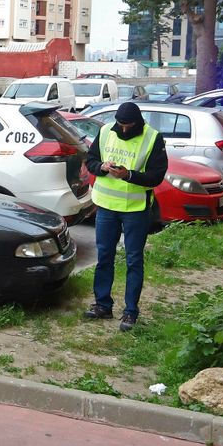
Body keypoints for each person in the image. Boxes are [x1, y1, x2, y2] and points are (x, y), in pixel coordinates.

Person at [84, 102, 168, 331]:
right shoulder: (105, 132)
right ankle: (102, 305)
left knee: (133, 261)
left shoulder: (152, 138)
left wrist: (129, 175)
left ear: (137, 122)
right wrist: (101, 166)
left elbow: (156, 176)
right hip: (106, 207)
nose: (123, 130)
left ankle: (130, 312)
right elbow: (89, 161)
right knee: (104, 257)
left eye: (127, 126)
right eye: (120, 125)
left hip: (136, 209)